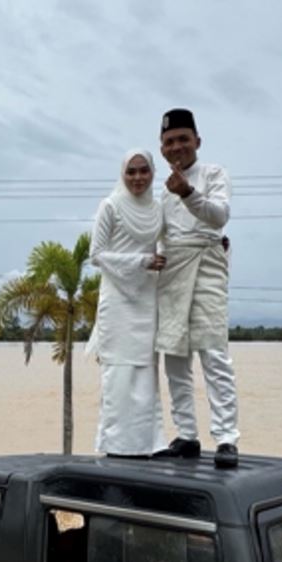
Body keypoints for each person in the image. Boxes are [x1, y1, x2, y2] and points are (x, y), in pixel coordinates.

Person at [152, 107, 240, 468]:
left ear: (197, 141)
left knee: (214, 354)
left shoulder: (214, 174)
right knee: (175, 357)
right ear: (162, 148)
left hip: (205, 265)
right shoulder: (162, 191)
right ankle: (187, 435)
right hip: (172, 271)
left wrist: (188, 192)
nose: (177, 147)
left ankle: (226, 438)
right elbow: (160, 232)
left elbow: (219, 215)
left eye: (183, 140)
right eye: (169, 142)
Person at [86, 148, 168, 458]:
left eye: (143, 171)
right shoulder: (110, 206)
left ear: (152, 173)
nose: (137, 178)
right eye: (131, 172)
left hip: (146, 300)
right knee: (118, 374)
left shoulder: (158, 209)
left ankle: (150, 443)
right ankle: (118, 446)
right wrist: (142, 261)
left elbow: (175, 240)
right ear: (122, 174)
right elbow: (96, 255)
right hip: (118, 301)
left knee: (146, 371)